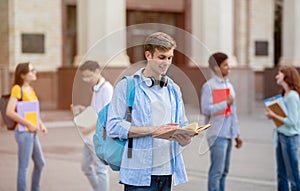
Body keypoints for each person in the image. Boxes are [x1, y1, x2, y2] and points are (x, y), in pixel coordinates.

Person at [106, 32, 193, 191]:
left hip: (167, 172)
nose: (166, 62)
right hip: (138, 175)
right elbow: (113, 126)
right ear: (148, 55)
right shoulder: (127, 87)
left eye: (169, 57)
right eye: (161, 57)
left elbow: (183, 123)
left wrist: (186, 136)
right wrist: (154, 130)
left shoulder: (173, 89)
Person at [201, 52, 242, 191]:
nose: (228, 67)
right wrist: (225, 103)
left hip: (228, 133)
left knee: (224, 172)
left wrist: (237, 133)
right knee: (216, 172)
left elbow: (233, 112)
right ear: (217, 68)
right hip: (217, 134)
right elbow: (206, 109)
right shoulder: (209, 86)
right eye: (225, 65)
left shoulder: (229, 85)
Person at [71, 60, 113, 191]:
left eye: (89, 76)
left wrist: (89, 128)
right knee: (86, 166)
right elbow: (96, 110)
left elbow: (106, 115)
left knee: (101, 169)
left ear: (97, 71)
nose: (87, 79)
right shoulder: (96, 88)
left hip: (99, 136)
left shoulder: (107, 89)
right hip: (90, 136)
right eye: (84, 77)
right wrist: (83, 110)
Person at [6, 62, 48, 191]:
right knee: (23, 167)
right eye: (31, 71)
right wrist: (29, 124)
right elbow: (9, 111)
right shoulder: (17, 89)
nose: (34, 72)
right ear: (23, 75)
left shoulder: (30, 89)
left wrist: (40, 124)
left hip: (32, 132)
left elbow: (33, 111)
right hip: (23, 132)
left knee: (40, 163)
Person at [265, 65, 300, 191]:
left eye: (279, 74)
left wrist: (274, 115)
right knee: (281, 173)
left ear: (287, 76)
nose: (276, 76)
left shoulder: (292, 96)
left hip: (290, 138)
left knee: (293, 174)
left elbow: (292, 121)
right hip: (281, 135)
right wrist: (272, 115)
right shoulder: (285, 94)